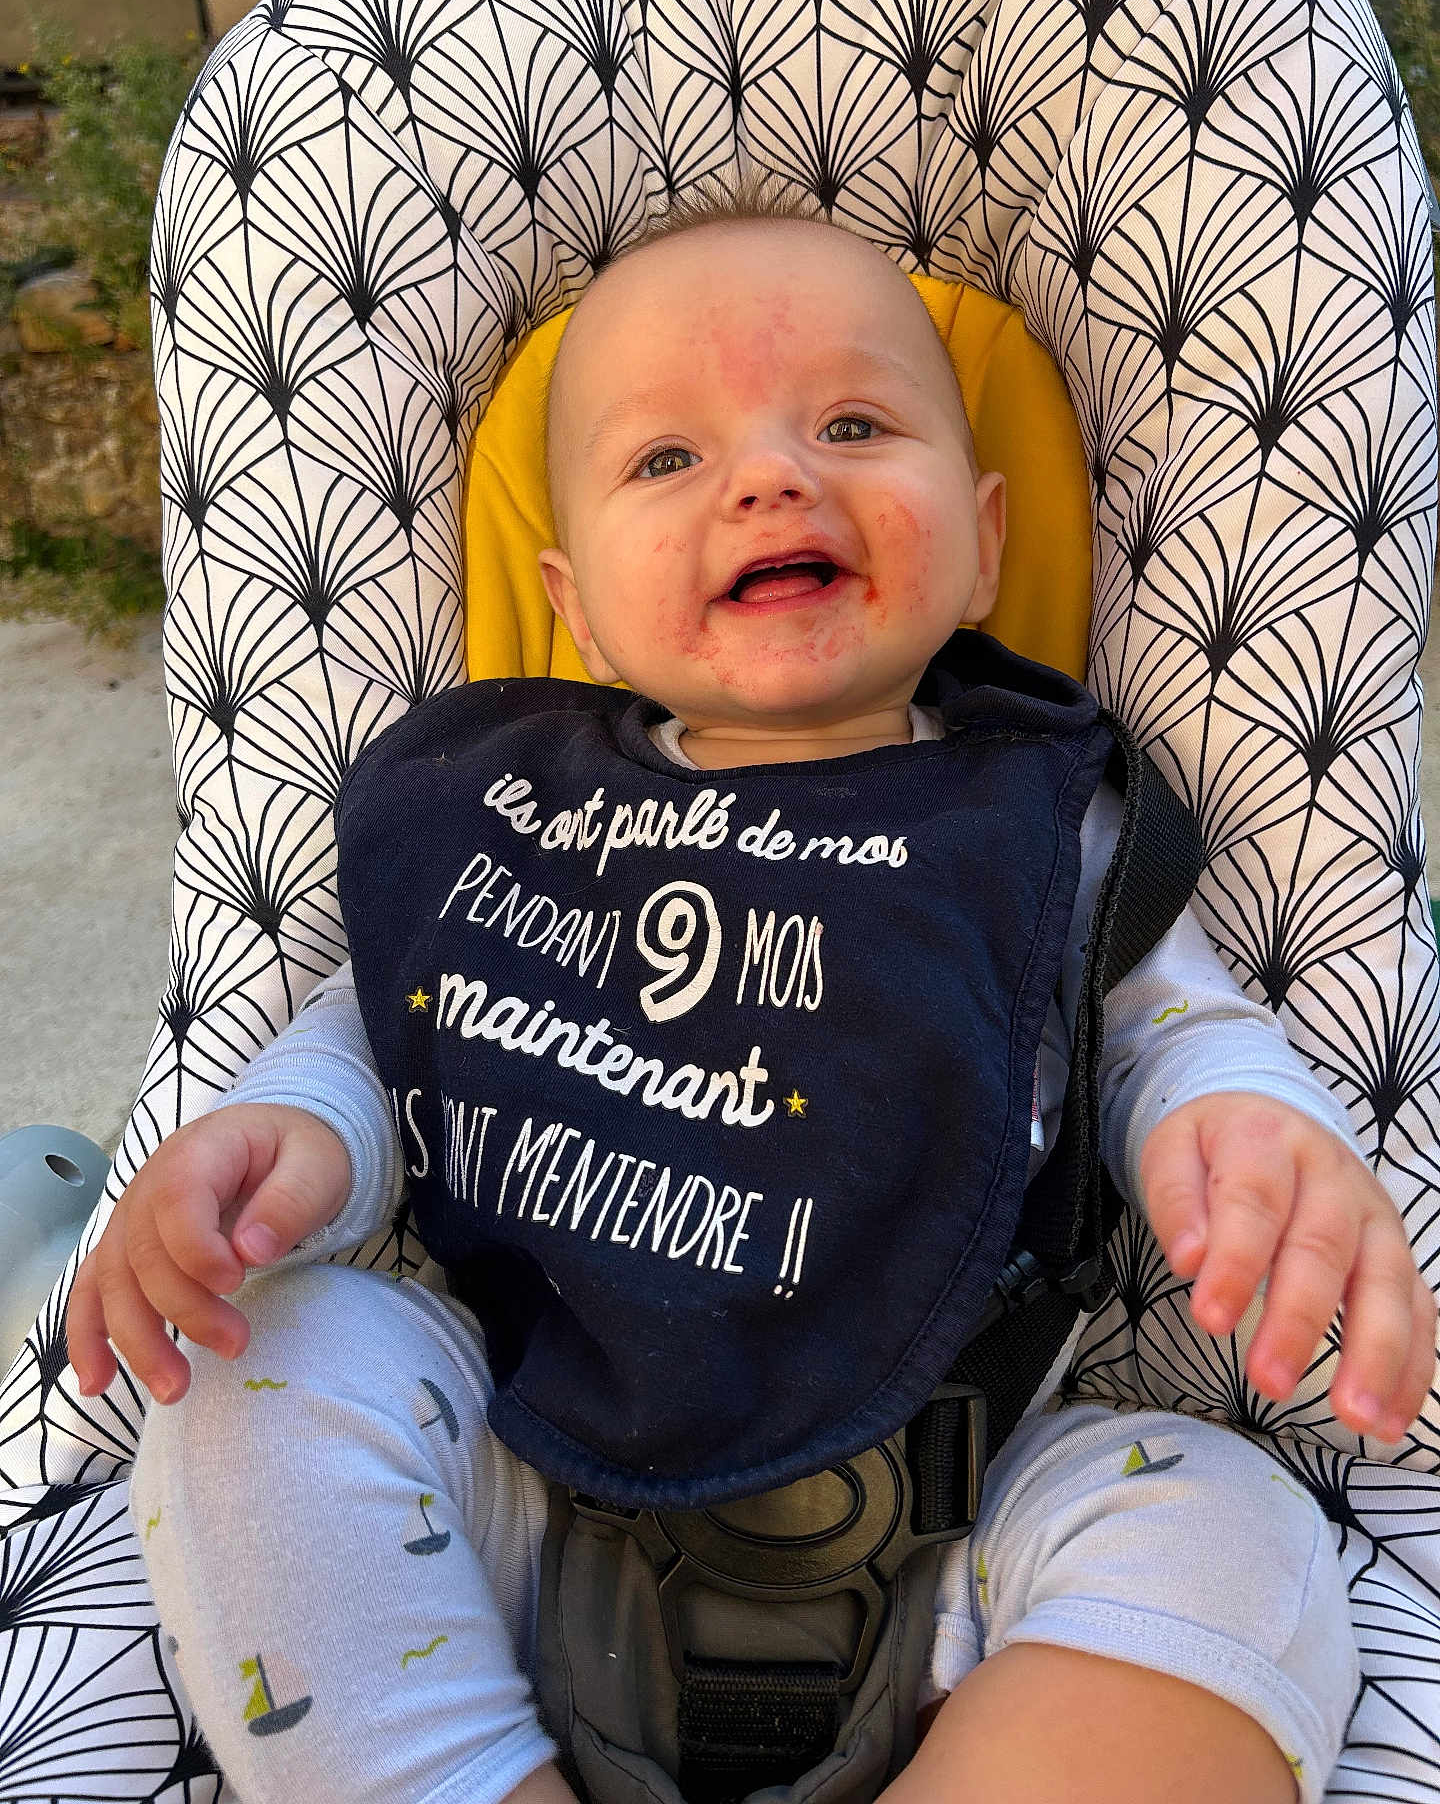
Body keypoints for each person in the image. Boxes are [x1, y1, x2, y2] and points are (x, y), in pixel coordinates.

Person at [69, 193, 1434, 1804]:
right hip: (522, 1495)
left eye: (853, 424)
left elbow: (1163, 1027)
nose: (773, 477)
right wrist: (291, 1138)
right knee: (263, 1370)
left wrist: (1244, 1122)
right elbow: (395, 1023)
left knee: (1230, 1535)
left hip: (964, 1525)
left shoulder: (1030, 823)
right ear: (575, 605)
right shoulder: (507, 815)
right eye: (668, 458)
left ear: (985, 539)